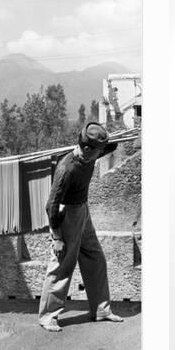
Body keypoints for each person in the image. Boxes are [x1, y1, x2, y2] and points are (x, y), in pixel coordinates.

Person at [38, 122, 124, 332]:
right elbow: (51, 205)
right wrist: (57, 238)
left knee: (96, 258)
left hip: (83, 212)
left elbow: (110, 146)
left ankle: (101, 310)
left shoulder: (90, 154)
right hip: (67, 216)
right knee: (62, 265)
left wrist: (108, 138)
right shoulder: (67, 168)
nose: (101, 154)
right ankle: (48, 316)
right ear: (86, 149)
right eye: (98, 151)